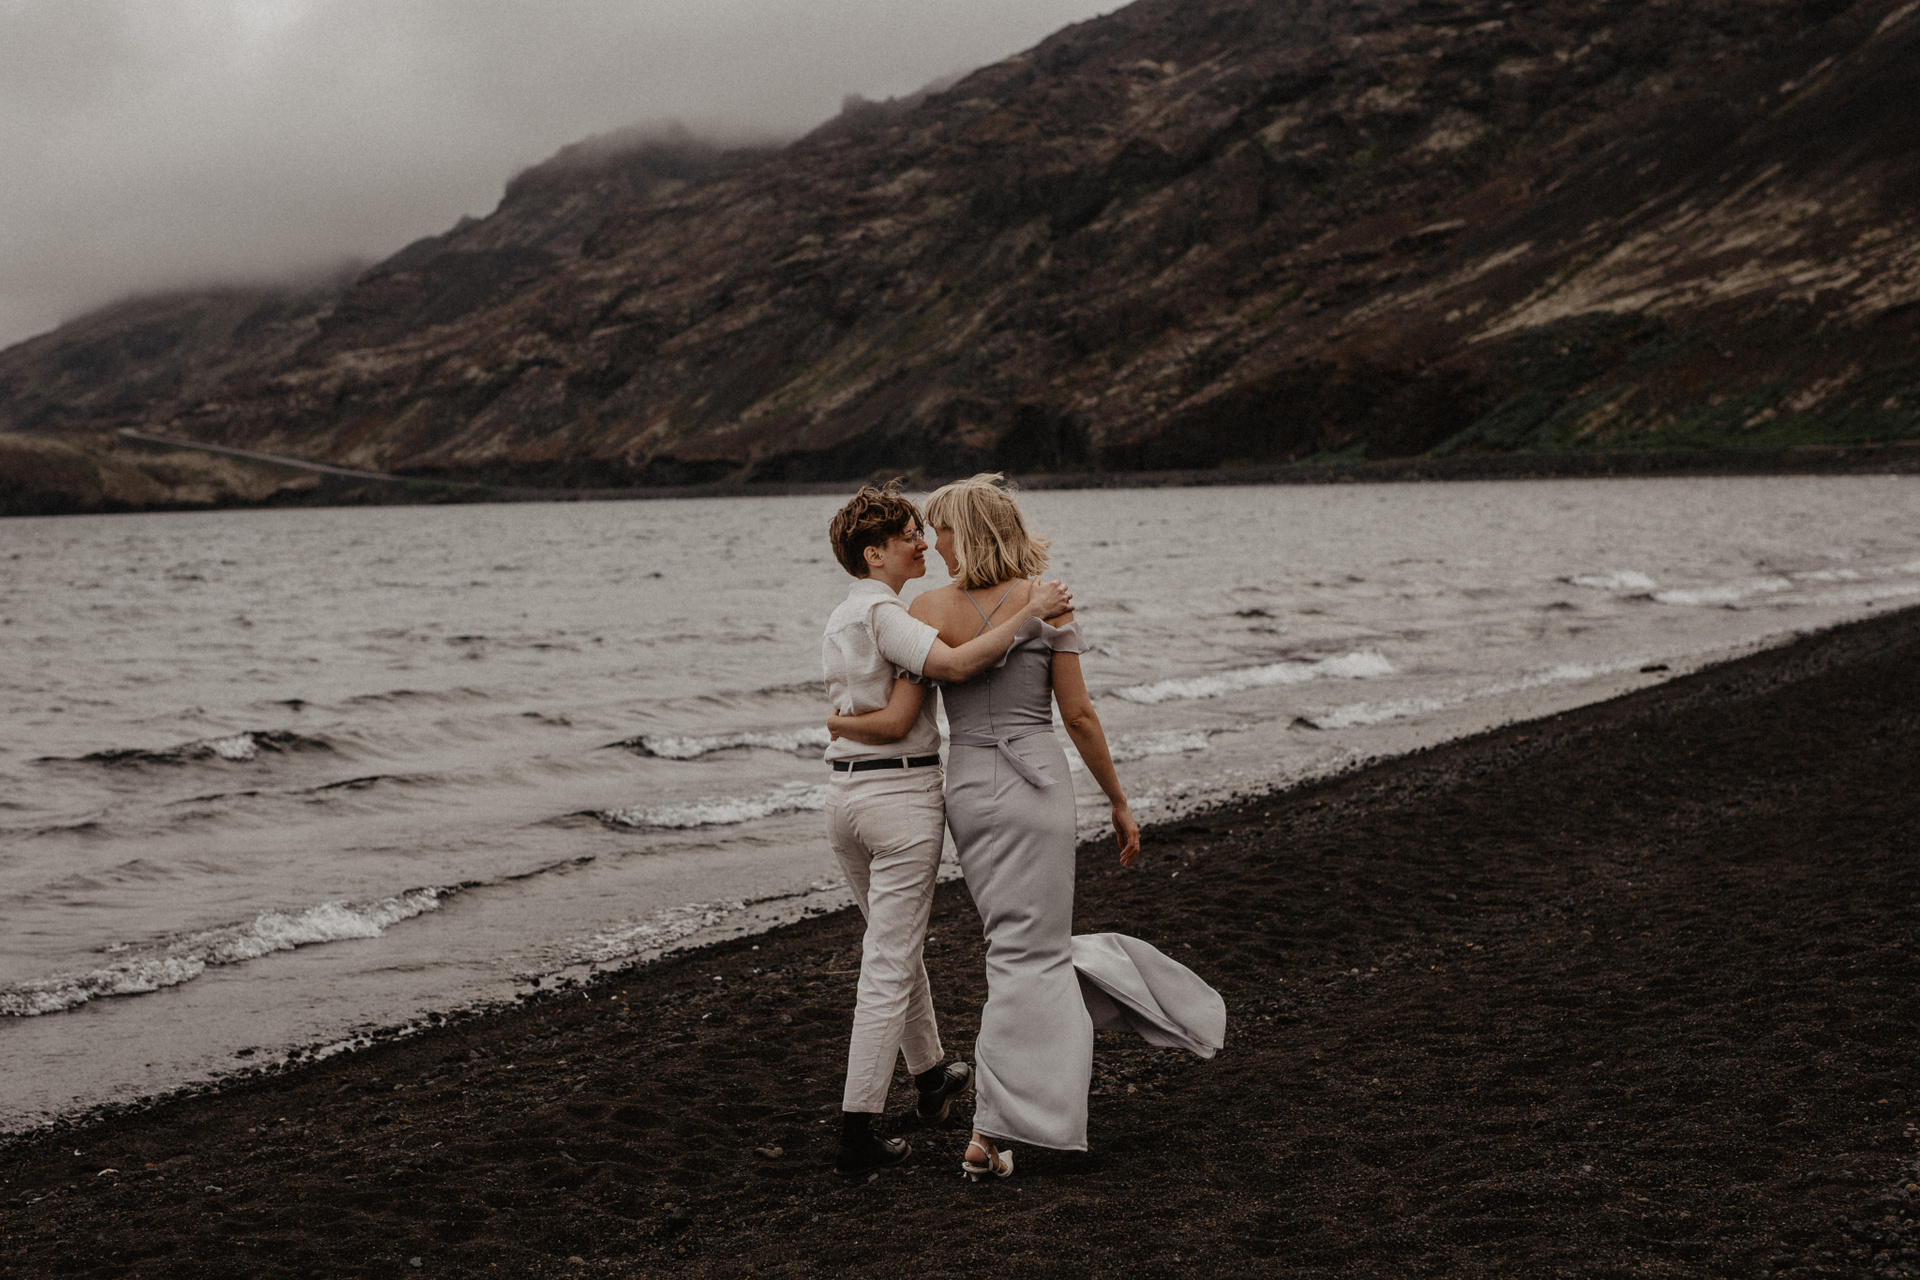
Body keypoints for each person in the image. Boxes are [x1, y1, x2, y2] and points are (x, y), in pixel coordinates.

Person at [832, 473, 1225, 1180]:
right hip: (1036, 784)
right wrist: (1118, 800)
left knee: (1016, 948)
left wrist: (839, 724)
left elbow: (903, 712)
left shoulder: (925, 608)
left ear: (969, 532)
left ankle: (1029, 1099)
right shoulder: (1047, 600)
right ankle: (992, 1130)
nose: (933, 543)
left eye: (941, 530)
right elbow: (1078, 715)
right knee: (1029, 954)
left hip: (967, 790)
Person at [820, 481, 1073, 1177]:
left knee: (893, 945)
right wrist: (1031, 612)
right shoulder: (889, 615)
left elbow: (874, 713)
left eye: (925, 533)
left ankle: (931, 1072)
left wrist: (837, 723)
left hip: (843, 799)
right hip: (898, 798)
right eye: (908, 536)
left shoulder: (841, 617)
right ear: (874, 554)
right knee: (889, 959)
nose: (924, 545)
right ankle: (857, 1130)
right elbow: (957, 666)